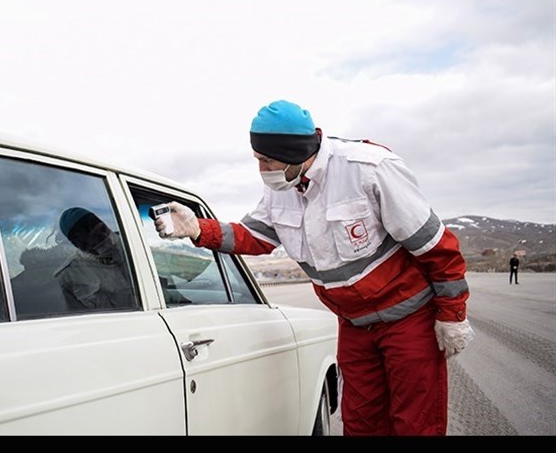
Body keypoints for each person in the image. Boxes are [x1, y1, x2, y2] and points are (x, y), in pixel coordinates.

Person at [153, 99, 475, 436]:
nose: (262, 170)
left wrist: (452, 315)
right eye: (258, 160)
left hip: (409, 320)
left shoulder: (368, 169)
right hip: (355, 325)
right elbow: (255, 236)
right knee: (361, 423)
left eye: (268, 160)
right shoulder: (281, 189)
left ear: (296, 154)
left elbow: (436, 246)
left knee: (415, 425)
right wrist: (199, 229)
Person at [54, 207, 136, 310]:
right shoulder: (71, 275)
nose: (107, 239)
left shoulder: (131, 243)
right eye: (97, 238)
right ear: (79, 245)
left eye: (103, 229)